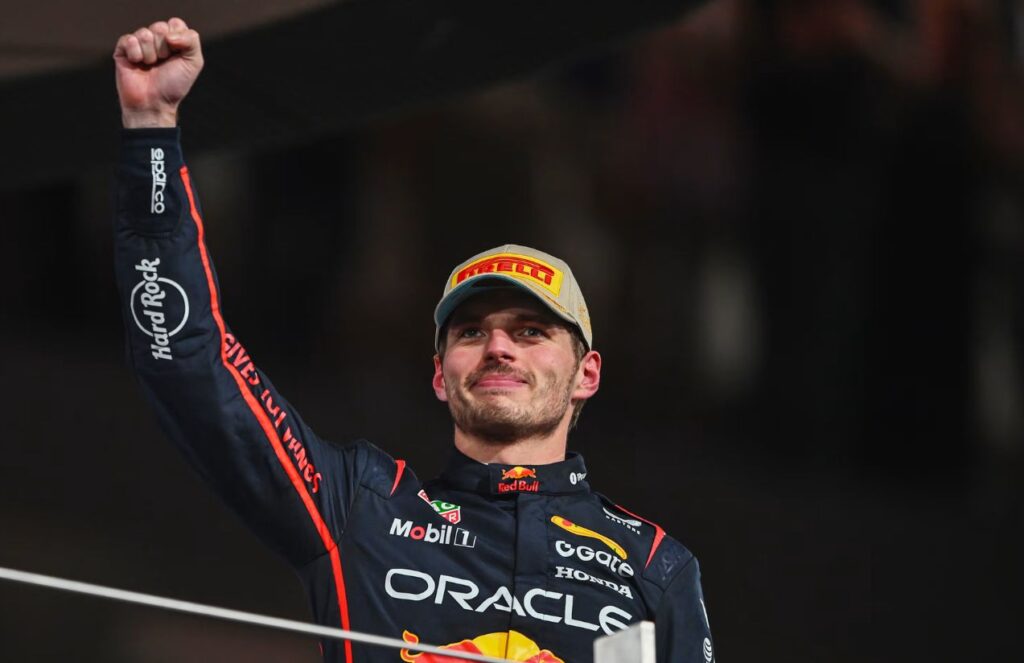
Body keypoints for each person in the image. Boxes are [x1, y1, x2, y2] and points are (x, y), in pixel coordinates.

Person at [113, 18, 715, 663]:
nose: (499, 347)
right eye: (472, 331)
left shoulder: (652, 567)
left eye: (532, 330)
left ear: (586, 374)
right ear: (440, 374)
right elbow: (188, 363)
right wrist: (152, 131)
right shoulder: (364, 509)